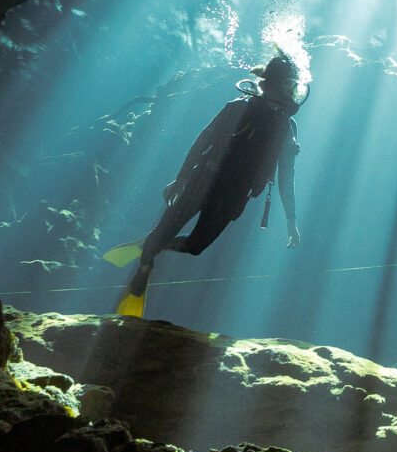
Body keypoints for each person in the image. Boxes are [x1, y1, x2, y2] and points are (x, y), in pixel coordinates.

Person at [106, 54, 302, 317]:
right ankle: (144, 268)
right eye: (286, 86)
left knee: (195, 247)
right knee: (165, 232)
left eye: (292, 87)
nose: (289, 92)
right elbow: (203, 141)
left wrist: (291, 220)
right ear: (270, 84)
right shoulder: (237, 107)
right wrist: (181, 178)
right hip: (203, 180)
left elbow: (285, 175)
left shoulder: (286, 128)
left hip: (233, 196)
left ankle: (153, 242)